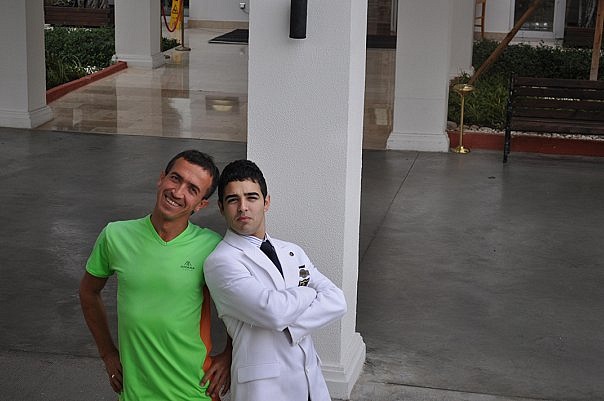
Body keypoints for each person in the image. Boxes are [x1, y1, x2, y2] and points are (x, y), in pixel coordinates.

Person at [79, 150, 231, 401]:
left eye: (192, 189)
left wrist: (229, 355)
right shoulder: (115, 235)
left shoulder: (212, 247)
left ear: (201, 204)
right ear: (161, 178)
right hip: (135, 393)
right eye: (175, 178)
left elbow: (240, 307)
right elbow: (88, 291)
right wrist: (107, 353)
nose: (178, 192)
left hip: (194, 392)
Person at [204, 159, 347, 401]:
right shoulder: (221, 261)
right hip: (265, 389)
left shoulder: (292, 251)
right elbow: (273, 312)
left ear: (266, 202)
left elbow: (337, 301)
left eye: (251, 197)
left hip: (310, 380)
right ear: (221, 207)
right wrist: (309, 292)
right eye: (233, 200)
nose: (243, 208)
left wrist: (290, 324)